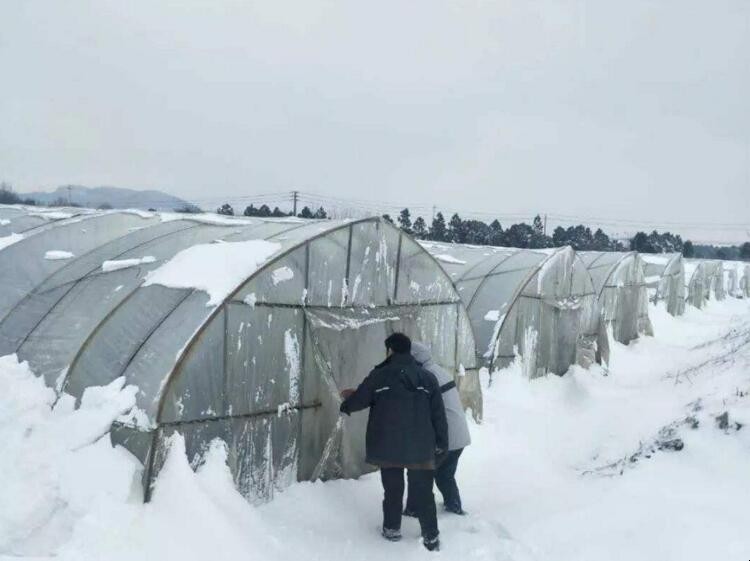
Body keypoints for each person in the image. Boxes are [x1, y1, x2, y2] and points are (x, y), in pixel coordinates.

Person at [339, 333, 448, 552]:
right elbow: (438, 415)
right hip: (420, 447)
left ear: (390, 350)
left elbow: (361, 398)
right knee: (424, 492)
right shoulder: (427, 378)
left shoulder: (379, 376)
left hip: (388, 446)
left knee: (393, 490)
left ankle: (391, 529)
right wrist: (442, 443)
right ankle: (431, 537)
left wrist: (346, 405)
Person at [405, 342, 471, 516]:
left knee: (419, 473)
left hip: (447, 437)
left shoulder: (425, 376)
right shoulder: (437, 370)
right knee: (444, 475)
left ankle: (414, 510)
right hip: (458, 435)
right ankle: (454, 506)